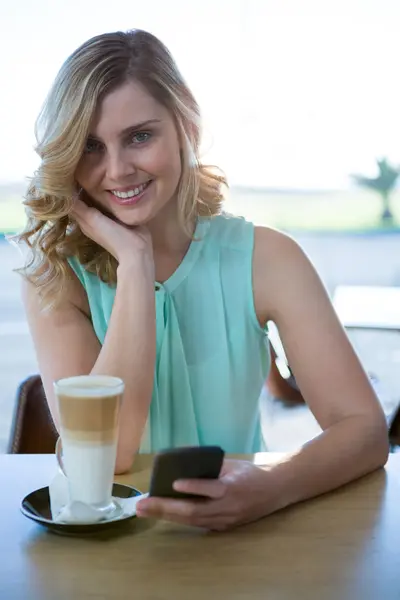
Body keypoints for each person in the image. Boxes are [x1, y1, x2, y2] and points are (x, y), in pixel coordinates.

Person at [18, 29, 388, 531]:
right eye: (89, 147)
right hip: (105, 548)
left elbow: (364, 431)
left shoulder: (267, 258)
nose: (118, 170)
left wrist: (273, 487)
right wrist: (134, 265)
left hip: (242, 532)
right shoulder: (54, 278)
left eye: (139, 136)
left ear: (186, 127)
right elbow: (114, 454)